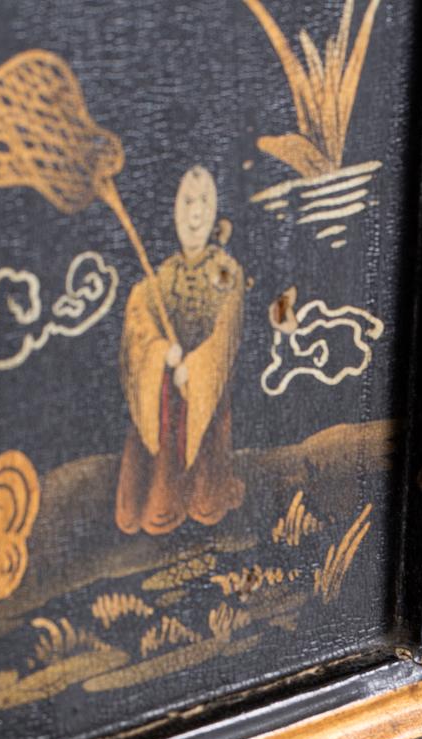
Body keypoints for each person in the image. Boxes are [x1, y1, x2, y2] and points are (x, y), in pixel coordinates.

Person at [115, 168, 245, 536]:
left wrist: (197, 366)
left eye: (204, 203)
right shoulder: (162, 278)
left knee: (205, 497)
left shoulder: (227, 272)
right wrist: (160, 353)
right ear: (175, 211)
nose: (195, 214)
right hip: (165, 395)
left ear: (215, 209)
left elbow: (226, 332)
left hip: (205, 396)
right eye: (188, 202)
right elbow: (140, 317)